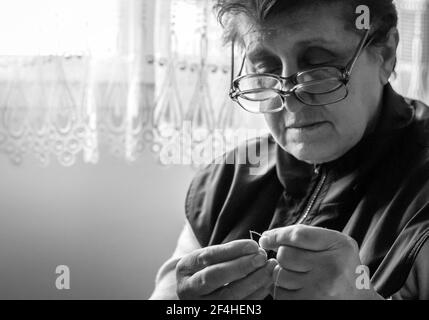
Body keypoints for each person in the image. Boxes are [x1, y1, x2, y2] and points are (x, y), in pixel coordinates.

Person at [150, 0, 429, 300]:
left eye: (319, 64)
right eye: (266, 68)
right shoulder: (226, 180)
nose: (290, 100)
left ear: (385, 55)